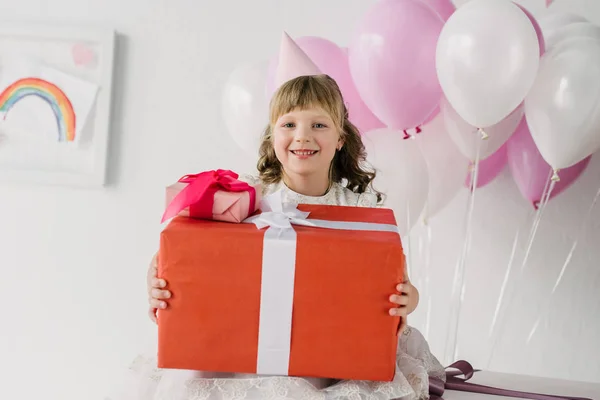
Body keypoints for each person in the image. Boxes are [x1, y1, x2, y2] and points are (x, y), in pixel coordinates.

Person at [118, 74, 445, 400]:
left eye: (319, 125)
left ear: (341, 138)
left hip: (330, 350)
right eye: (289, 124)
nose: (302, 136)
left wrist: (408, 300)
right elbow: (185, 247)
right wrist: (157, 280)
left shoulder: (359, 207)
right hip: (242, 345)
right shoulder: (245, 196)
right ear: (272, 135)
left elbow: (394, 281)